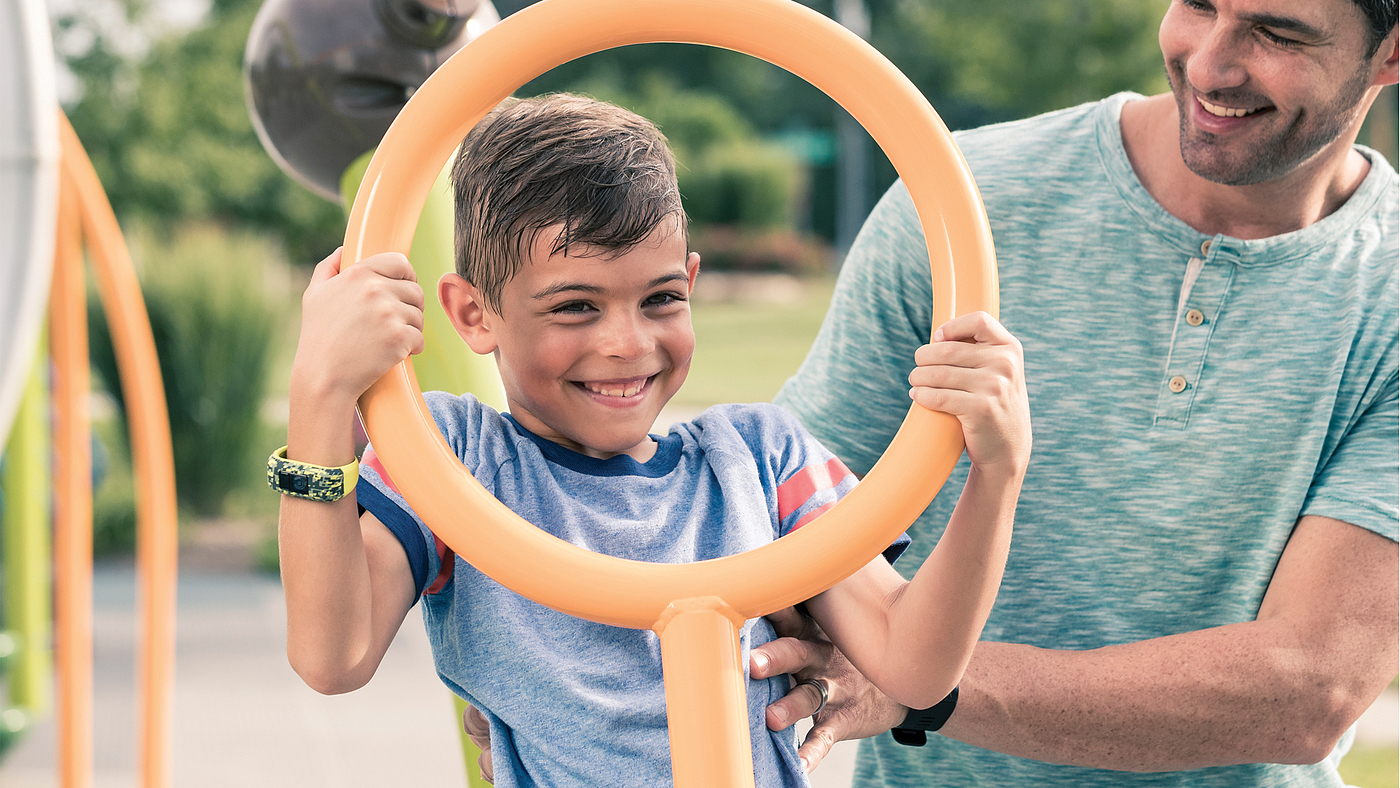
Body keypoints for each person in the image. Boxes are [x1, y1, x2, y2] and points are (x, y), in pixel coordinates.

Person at [270, 93, 1032, 787]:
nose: (629, 344)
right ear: (473, 314)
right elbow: (333, 654)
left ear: (691, 281)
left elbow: (916, 665)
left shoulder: (759, 462)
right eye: (575, 307)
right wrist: (321, 395)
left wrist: (995, 475)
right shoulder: (457, 462)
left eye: (661, 298)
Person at [750, 0, 1400, 786]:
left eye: (1276, 33)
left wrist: (918, 680)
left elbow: (1307, 685)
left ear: (1390, 53)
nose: (1210, 64)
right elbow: (786, 516)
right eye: (1198, 4)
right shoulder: (964, 201)